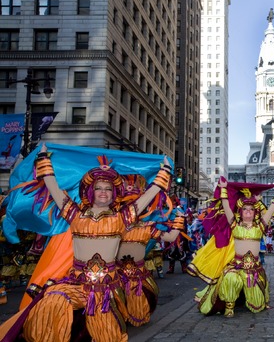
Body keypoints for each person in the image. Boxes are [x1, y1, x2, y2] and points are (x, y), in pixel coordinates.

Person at [0, 143, 172, 342]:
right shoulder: (75, 215)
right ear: (90, 191)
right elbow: (53, 187)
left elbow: (148, 195)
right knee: (51, 302)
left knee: (108, 335)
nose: (103, 192)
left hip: (105, 289)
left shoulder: (121, 218)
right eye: (98, 188)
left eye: (108, 189)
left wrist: (164, 171)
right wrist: (44, 159)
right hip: (76, 284)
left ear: (114, 194)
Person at [187, 177, 274, 317]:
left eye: (251, 209)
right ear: (240, 211)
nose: (247, 211)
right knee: (230, 279)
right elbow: (226, 206)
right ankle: (229, 305)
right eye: (244, 209)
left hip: (254, 269)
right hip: (236, 266)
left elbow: (271, 210)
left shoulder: (260, 226)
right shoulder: (235, 225)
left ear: (255, 212)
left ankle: (253, 298)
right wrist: (223, 189)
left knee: (257, 306)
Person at [116, 174, 183, 327]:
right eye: (126, 204)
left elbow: (171, 237)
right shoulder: (113, 225)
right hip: (114, 275)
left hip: (138, 276)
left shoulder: (148, 228)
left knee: (138, 314)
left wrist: (180, 219)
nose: (130, 209)